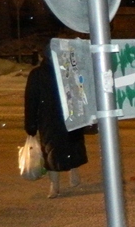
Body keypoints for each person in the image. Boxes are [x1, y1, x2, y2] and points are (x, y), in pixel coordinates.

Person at [24, 46, 88, 199]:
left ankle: (69, 176)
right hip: (51, 118)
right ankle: (56, 183)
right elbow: (31, 99)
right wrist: (30, 124)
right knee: (54, 151)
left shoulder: (68, 71)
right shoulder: (39, 74)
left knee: (67, 148)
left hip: (64, 117)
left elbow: (80, 93)